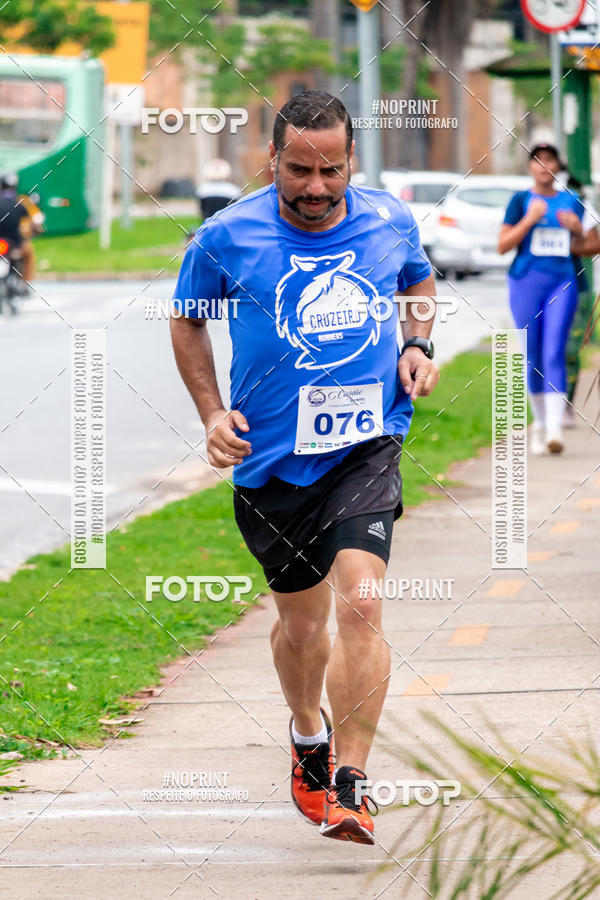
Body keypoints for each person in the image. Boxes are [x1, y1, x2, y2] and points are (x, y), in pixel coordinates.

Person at [170, 90, 439, 845]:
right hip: (272, 464)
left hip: (366, 444)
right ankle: (307, 732)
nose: (317, 187)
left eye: (332, 171)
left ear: (351, 161)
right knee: (301, 626)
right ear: (272, 160)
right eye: (299, 171)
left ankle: (351, 781)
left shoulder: (388, 219)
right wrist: (212, 414)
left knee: (361, 602)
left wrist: (418, 346)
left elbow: (417, 282)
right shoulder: (226, 236)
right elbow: (188, 319)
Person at [498, 143, 585, 455]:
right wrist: (529, 220)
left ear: (558, 166)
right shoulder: (521, 201)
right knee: (532, 356)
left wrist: (577, 231)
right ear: (529, 166)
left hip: (561, 281)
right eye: (537, 160)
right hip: (525, 282)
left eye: (550, 160)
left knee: (554, 352)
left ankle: (554, 429)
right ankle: (540, 422)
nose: (544, 166)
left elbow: (589, 245)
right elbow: (503, 245)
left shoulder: (572, 201)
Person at [0, 173, 33, 293]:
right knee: (28, 254)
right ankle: (25, 284)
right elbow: (30, 223)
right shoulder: (20, 202)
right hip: (15, 243)